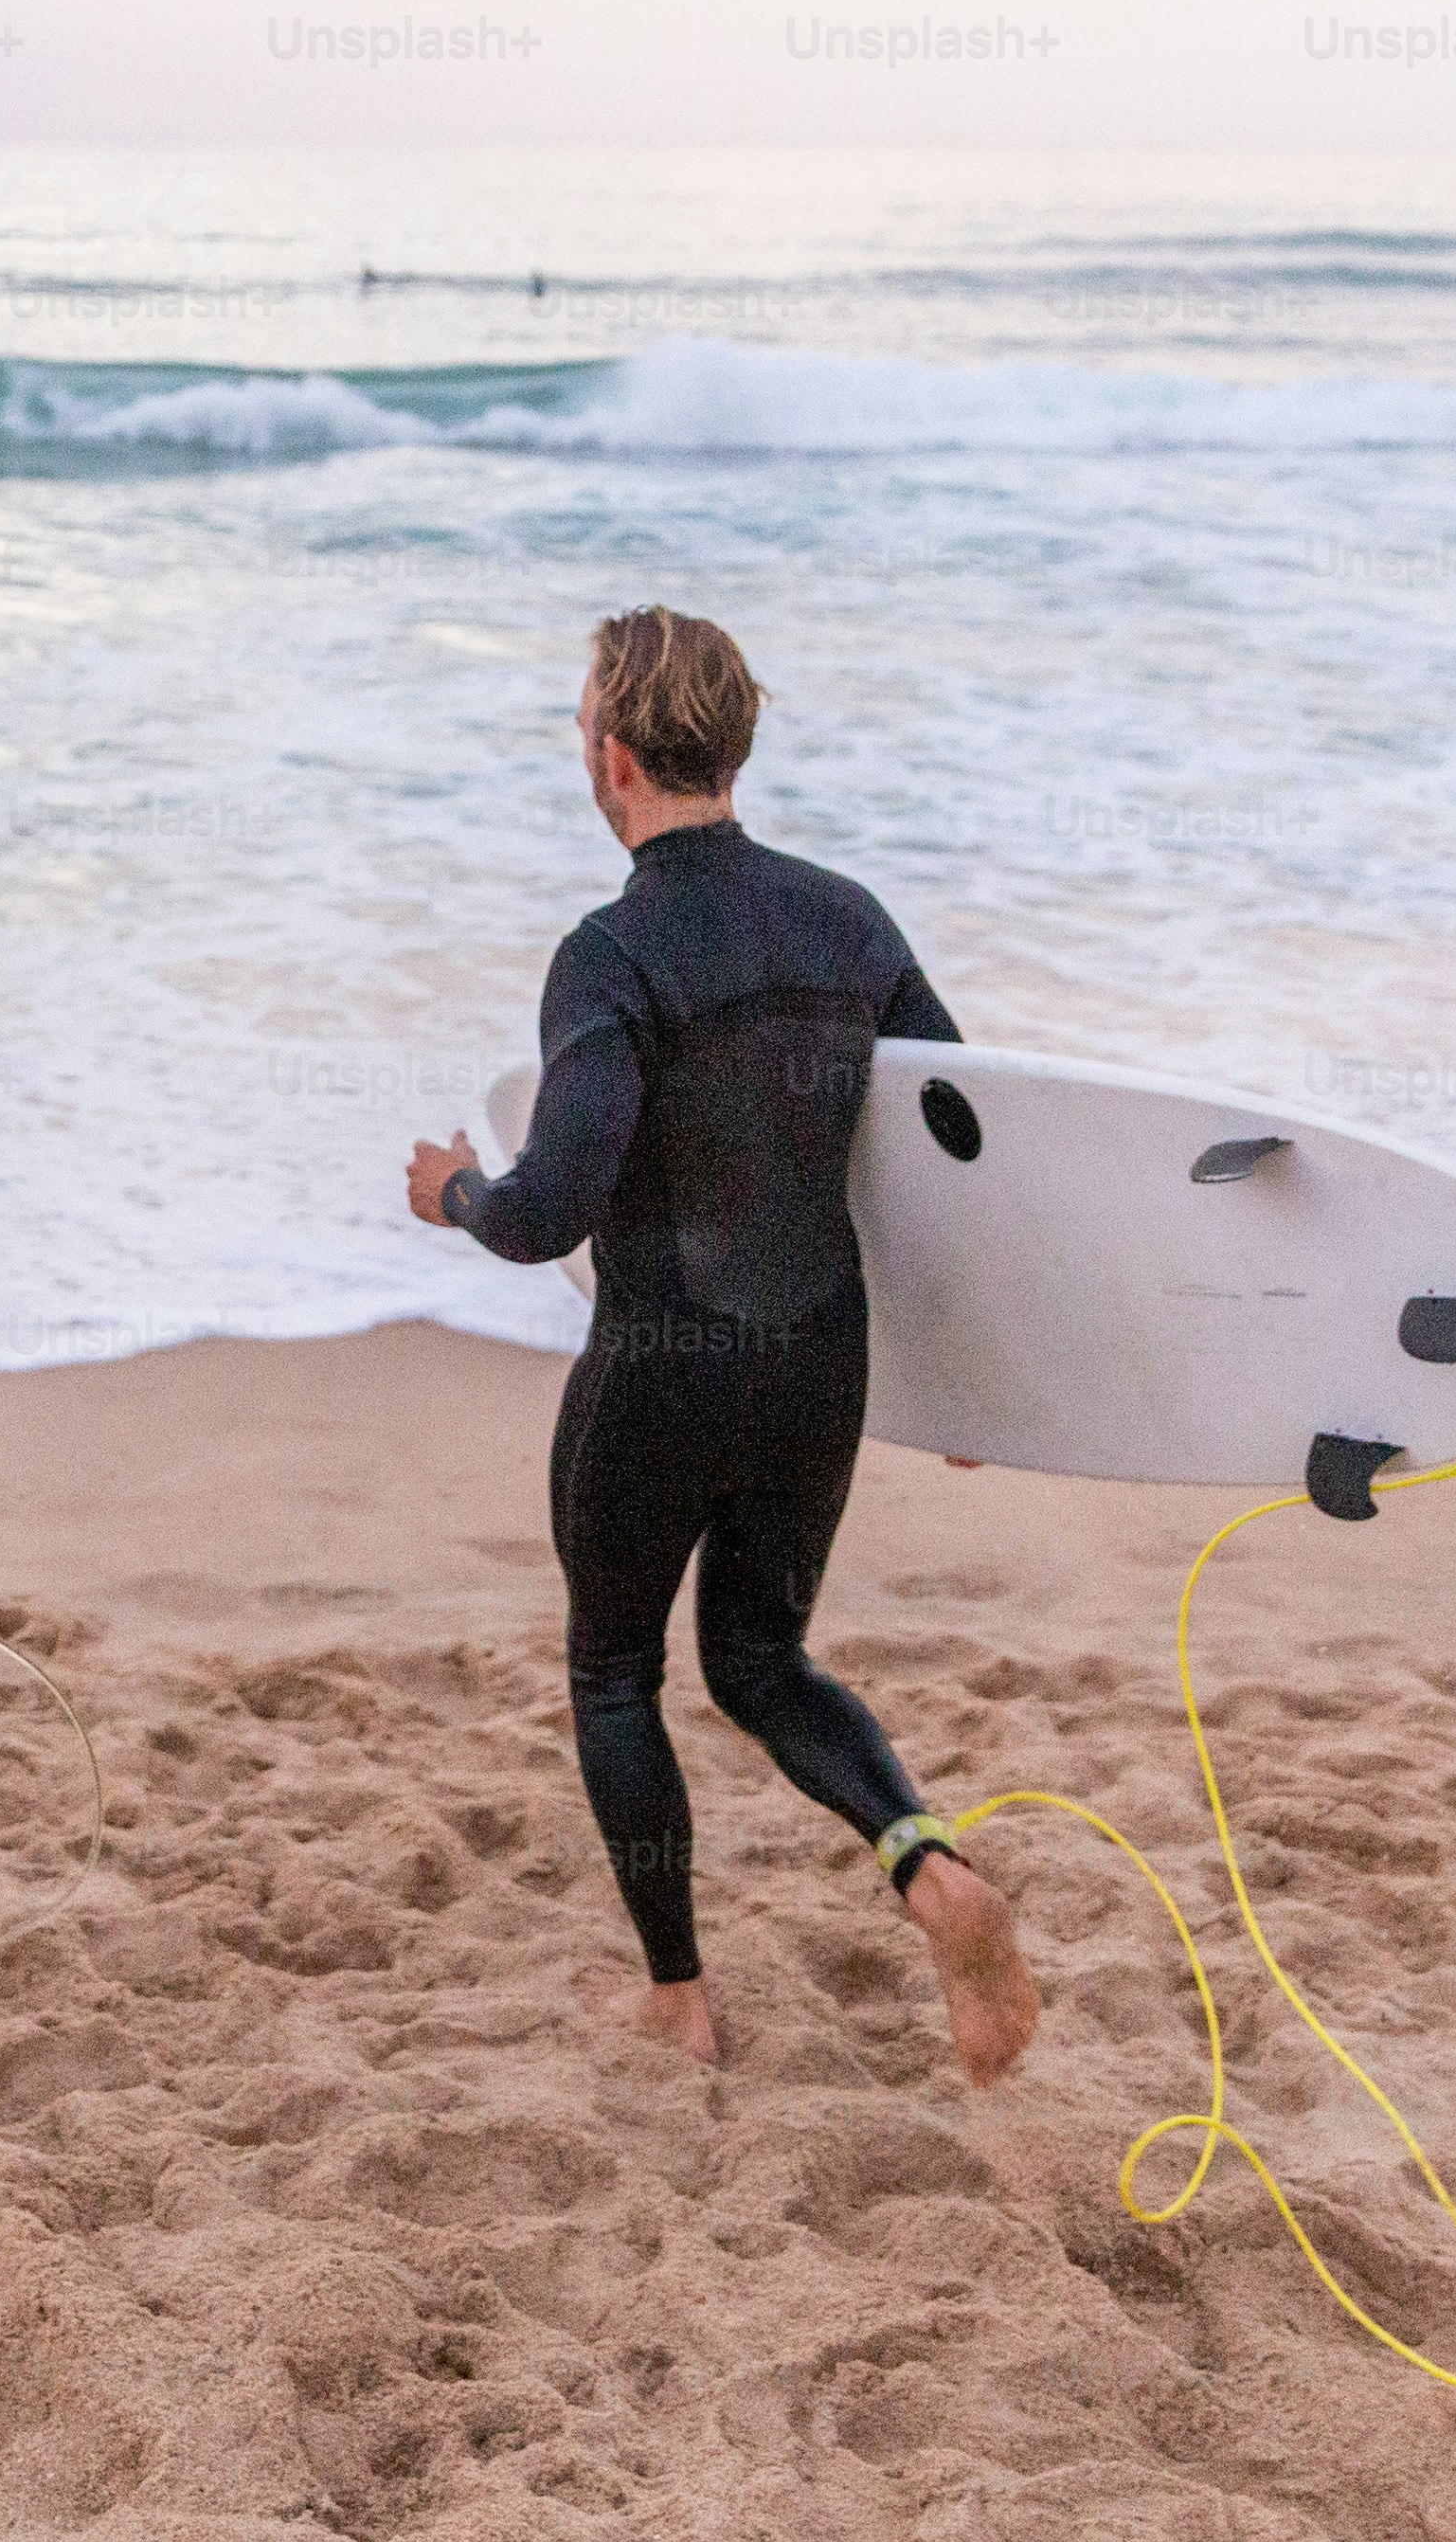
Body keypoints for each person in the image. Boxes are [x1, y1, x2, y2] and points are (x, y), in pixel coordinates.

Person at [404, 608, 1038, 2082]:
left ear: (614, 759)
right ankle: (933, 1874)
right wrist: (970, 1368)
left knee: (615, 1673)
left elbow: (549, 1204)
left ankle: (680, 2002)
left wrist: (454, 1196)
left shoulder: (609, 956)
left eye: (580, 728)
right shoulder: (850, 921)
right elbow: (959, 1146)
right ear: (731, 747)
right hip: (821, 1364)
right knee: (761, 1656)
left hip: (661, 1374)